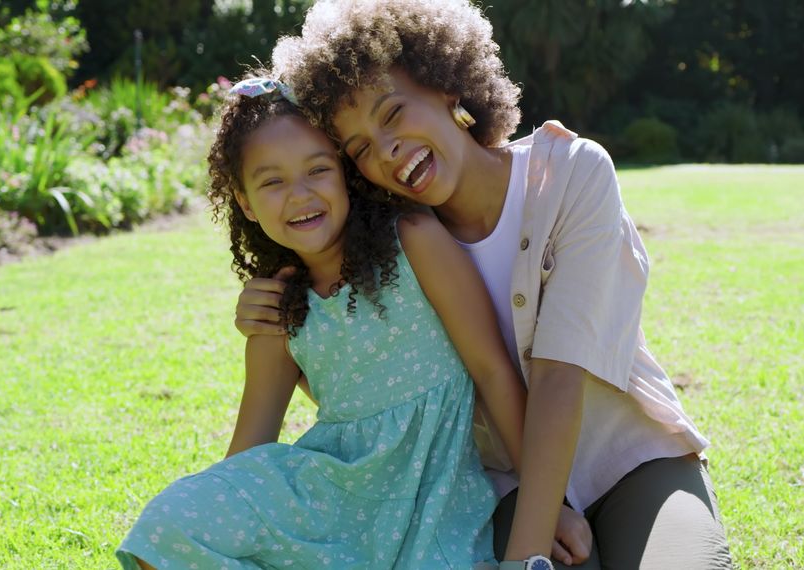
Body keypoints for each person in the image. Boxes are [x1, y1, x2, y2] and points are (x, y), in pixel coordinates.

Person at [234, 1, 734, 568]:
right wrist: (267, 311)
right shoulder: (391, 248)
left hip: (629, 460)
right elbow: (369, 383)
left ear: (446, 86)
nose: (387, 150)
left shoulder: (570, 175)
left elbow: (559, 376)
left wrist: (527, 557)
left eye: (393, 114)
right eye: (360, 150)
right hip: (498, 486)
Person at [116, 75, 527, 569]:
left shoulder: (414, 242)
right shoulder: (280, 309)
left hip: (433, 503)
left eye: (318, 170)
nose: (300, 195)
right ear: (244, 202)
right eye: (272, 182)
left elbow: (491, 370)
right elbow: (246, 459)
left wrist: (546, 503)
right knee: (166, 526)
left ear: (345, 173)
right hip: (328, 505)